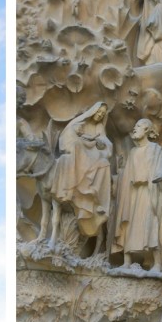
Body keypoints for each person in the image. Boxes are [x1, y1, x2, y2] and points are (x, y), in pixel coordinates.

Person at [111, 118, 162, 272]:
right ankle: (126, 262)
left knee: (150, 225)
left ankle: (157, 263)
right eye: (135, 126)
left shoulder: (155, 149)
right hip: (132, 195)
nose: (135, 128)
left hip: (149, 193)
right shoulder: (133, 152)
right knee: (128, 225)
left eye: (139, 126)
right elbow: (127, 175)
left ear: (147, 130)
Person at [46, 102, 114, 254]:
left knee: (104, 164)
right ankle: (70, 189)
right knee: (70, 155)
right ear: (92, 111)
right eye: (99, 112)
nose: (100, 115)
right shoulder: (80, 123)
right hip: (78, 158)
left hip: (92, 159)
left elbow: (108, 146)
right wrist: (81, 140)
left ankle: (95, 197)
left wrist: (100, 143)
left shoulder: (99, 128)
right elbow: (66, 142)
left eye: (103, 114)